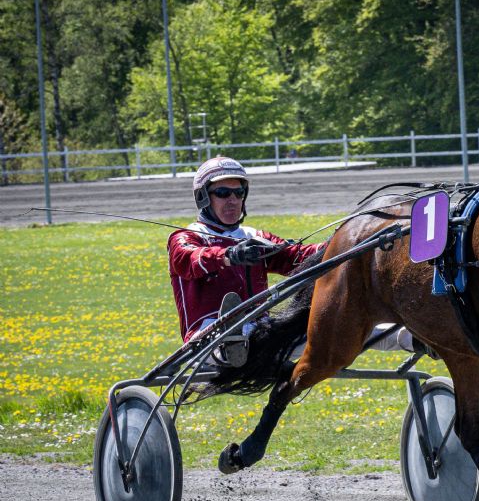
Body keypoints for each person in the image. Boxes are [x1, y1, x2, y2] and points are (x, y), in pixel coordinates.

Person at [167, 156, 416, 365]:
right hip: (206, 338)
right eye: (222, 193)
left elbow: (298, 258)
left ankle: (410, 338)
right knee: (234, 339)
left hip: (262, 333)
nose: (232, 200)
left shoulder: (255, 237)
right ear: (203, 197)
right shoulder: (185, 237)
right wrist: (229, 256)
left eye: (238, 192)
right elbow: (189, 260)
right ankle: (233, 346)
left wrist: (344, 242)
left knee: (340, 324)